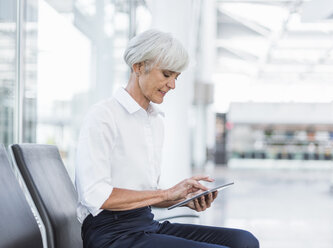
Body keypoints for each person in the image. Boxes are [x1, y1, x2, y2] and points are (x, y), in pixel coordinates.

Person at [75, 29, 259, 248]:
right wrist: (165, 193)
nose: (172, 85)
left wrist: (181, 198)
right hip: (110, 234)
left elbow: (145, 196)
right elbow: (97, 197)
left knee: (245, 241)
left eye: (176, 77)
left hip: (145, 224)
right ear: (139, 66)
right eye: (166, 74)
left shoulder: (154, 121)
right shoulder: (103, 116)